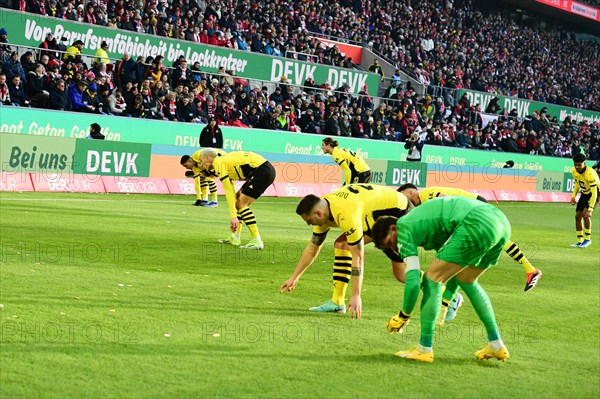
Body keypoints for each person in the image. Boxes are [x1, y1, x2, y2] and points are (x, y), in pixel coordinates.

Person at [371, 196, 511, 363]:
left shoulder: (404, 227)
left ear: (393, 228)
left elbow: (414, 281)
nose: (395, 249)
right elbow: (455, 272)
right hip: (500, 222)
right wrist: (446, 300)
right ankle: (496, 345)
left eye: (391, 242)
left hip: (476, 220)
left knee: (431, 279)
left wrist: (403, 315)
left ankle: (424, 349)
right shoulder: (428, 226)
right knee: (467, 279)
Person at [279, 184, 410, 317]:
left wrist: (356, 295)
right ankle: (337, 303)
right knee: (342, 245)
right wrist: (294, 277)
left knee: (402, 275)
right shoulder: (324, 208)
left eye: (309, 220)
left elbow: (358, 257)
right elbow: (313, 248)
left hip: (398, 211)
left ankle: (429, 281)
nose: (309, 224)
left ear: (318, 213)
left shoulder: (346, 214)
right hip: (371, 215)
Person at [398, 184, 542, 296]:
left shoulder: (425, 195)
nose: (404, 202)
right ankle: (530, 270)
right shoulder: (423, 201)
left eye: (403, 196)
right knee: (500, 240)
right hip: (472, 208)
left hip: (474, 207)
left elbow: (448, 202)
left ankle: (531, 270)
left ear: (411, 193)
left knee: (501, 241)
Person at [197, 149, 276, 249]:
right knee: (238, 199)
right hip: (263, 170)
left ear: (208, 158)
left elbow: (228, 191)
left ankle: (257, 240)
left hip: (262, 171)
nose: (201, 163)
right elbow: (231, 189)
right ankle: (235, 237)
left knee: (241, 204)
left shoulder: (218, 163)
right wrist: (233, 214)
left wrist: (233, 216)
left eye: (201, 160)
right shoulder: (221, 161)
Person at [570, 153, 599, 248]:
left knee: (585, 215)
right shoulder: (574, 171)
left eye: (579, 165)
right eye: (575, 164)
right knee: (577, 216)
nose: (577, 167)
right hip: (585, 193)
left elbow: (594, 193)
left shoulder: (590, 174)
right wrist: (573, 196)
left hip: (596, 194)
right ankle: (580, 241)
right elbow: (578, 183)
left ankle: (587, 240)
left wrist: (590, 208)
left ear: (585, 163)